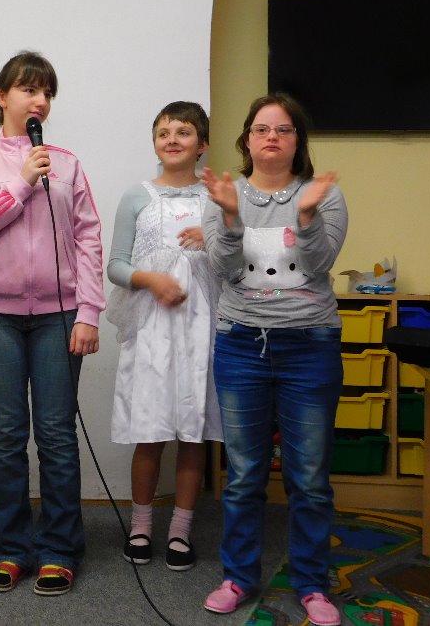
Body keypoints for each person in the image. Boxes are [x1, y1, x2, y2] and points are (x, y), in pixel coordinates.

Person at [0, 51, 105, 597]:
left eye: (46, 92)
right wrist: (18, 183)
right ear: (2, 97)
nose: (39, 100)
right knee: (7, 434)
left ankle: (59, 550)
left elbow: (88, 239)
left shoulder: (67, 163)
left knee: (57, 435)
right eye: (28, 89)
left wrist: (89, 311)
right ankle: (12, 548)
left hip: (60, 314)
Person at [200, 93, 347, 626]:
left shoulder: (324, 195)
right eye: (262, 128)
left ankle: (312, 584)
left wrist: (306, 216)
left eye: (283, 130)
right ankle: (238, 576)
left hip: (310, 345)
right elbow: (222, 266)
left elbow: (320, 262)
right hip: (241, 344)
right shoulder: (226, 193)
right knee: (243, 474)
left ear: (297, 141)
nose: (272, 137)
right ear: (247, 139)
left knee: (308, 477)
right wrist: (230, 216)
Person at [106, 101, 222, 572]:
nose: (173, 139)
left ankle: (181, 530)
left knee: (194, 430)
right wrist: (150, 280)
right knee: (150, 431)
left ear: (202, 144)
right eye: (164, 133)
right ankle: (140, 526)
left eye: (184, 132)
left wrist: (216, 238)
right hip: (151, 327)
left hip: (200, 326)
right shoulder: (137, 197)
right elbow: (116, 264)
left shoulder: (216, 198)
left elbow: (234, 261)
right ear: (155, 143)